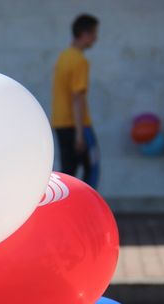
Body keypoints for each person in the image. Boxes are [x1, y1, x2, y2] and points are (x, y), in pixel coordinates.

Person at [51, 14, 100, 188]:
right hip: (77, 126)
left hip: (60, 123)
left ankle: (66, 212)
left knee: (67, 173)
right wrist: (80, 134)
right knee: (92, 168)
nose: (96, 38)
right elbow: (77, 97)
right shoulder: (80, 60)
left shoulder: (64, 56)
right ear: (84, 33)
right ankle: (89, 212)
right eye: (94, 33)